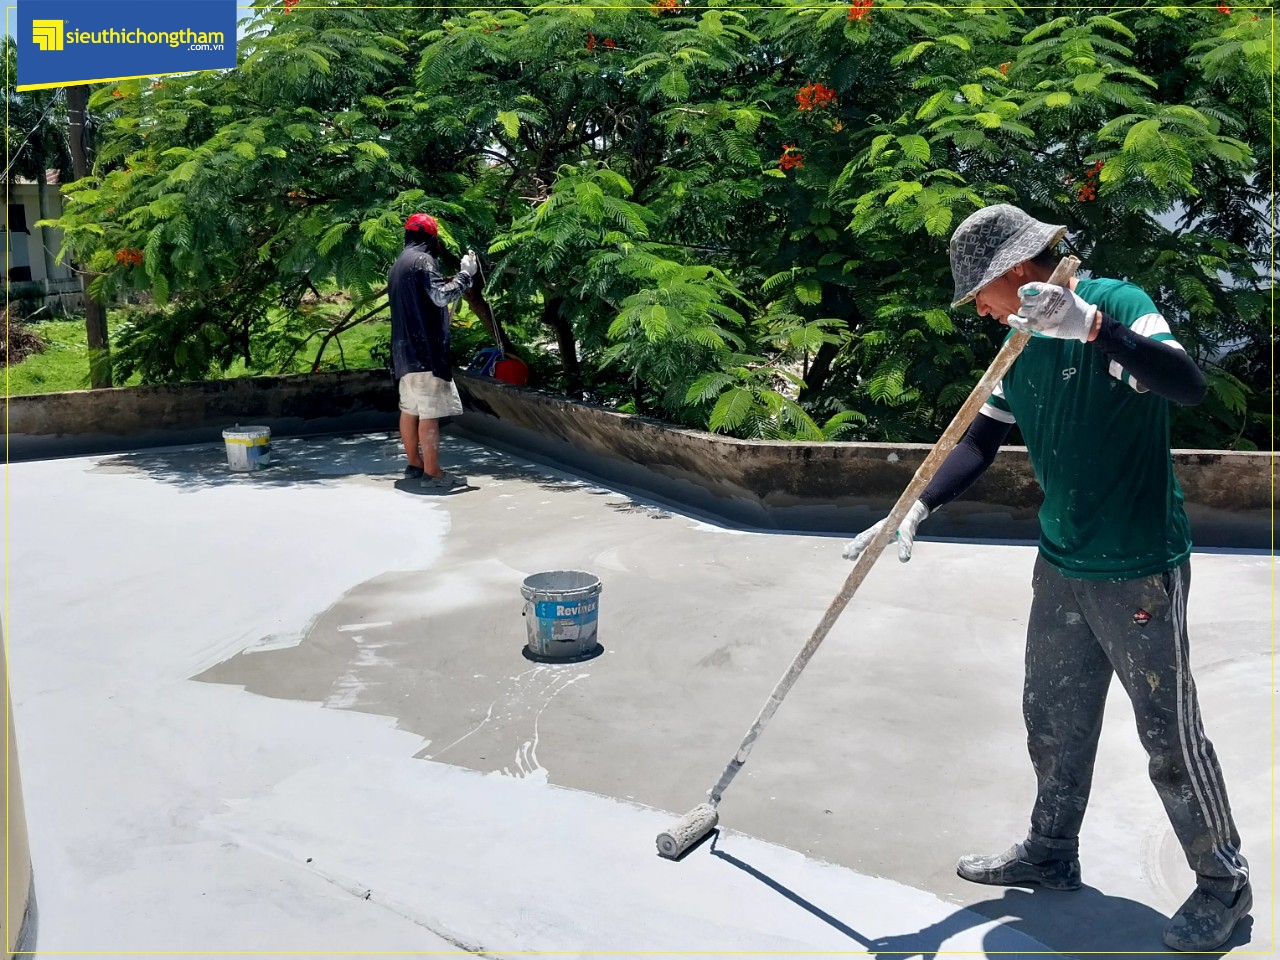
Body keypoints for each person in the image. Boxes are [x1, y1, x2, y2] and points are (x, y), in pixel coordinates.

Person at [842, 204, 1250, 952]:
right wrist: (916, 508)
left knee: (1168, 735)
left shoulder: (1116, 305)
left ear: (1016, 270)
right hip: (1062, 561)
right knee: (1053, 717)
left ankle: (1224, 885)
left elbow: (1185, 384)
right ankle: (1051, 851)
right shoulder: (1020, 341)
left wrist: (1093, 329)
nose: (980, 310)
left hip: (1138, 566)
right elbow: (981, 440)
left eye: (981, 295)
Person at [388, 213, 478, 491]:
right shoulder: (423, 261)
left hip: (404, 355)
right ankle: (433, 473)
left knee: (409, 410)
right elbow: (440, 296)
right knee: (429, 414)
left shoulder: (398, 264)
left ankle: (414, 465)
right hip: (425, 353)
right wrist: (466, 275)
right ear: (431, 239)